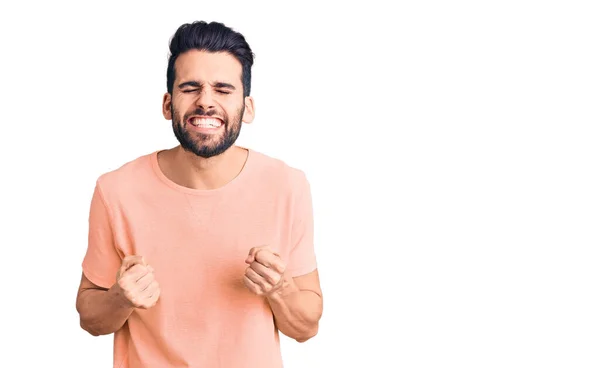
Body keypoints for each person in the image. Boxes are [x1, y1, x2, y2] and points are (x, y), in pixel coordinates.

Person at [75, 20, 323, 368]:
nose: (205, 102)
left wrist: (279, 289)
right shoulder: (115, 190)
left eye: (223, 89)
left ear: (247, 107)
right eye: (190, 87)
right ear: (167, 104)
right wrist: (120, 298)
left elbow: (306, 326)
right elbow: (90, 317)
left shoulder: (288, 187)